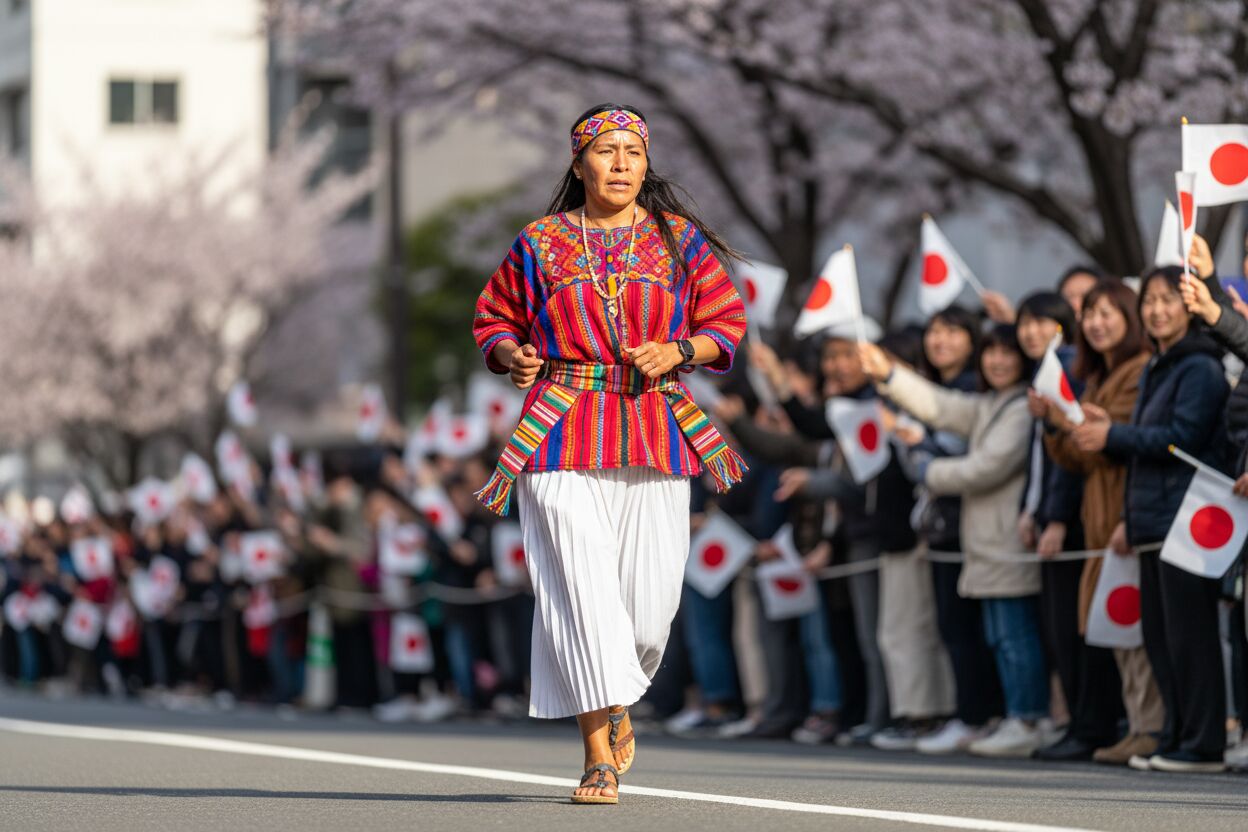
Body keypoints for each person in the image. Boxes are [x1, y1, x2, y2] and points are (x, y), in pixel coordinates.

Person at [472, 103, 748, 804]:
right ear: (578, 163)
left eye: (633, 150)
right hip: (560, 426)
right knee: (580, 588)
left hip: (653, 426)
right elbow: (494, 317)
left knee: (648, 614)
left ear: (647, 162)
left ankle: (620, 693)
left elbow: (726, 321)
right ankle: (596, 756)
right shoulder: (540, 240)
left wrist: (680, 349)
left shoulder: (677, 239)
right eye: (606, 150)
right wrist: (513, 354)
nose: (621, 162)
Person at [861, 325, 1051, 757]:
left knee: (1016, 635)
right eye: (991, 353)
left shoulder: (1021, 406)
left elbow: (987, 466)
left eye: (1007, 354)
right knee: (1000, 635)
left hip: (1007, 541)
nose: (997, 362)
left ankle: (1028, 717)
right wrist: (890, 375)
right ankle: (1014, 717)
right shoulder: (990, 403)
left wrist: (928, 472)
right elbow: (940, 406)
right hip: (987, 540)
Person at [1073, 266, 1229, 773]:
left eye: (1168, 300)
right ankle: (1177, 736)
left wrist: (1114, 436)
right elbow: (1147, 441)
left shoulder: (1199, 367)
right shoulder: (1160, 365)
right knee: (1162, 637)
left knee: (1191, 636)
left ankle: (1203, 743)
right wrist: (1113, 431)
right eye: (1150, 301)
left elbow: (1180, 437)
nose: (1157, 310)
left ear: (1190, 306)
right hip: (1152, 518)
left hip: (1185, 519)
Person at [1041, 280, 1159, 764]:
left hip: (1128, 514)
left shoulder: (1139, 371)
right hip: (1099, 516)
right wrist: (1057, 423)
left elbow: (1114, 439)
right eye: (1090, 314)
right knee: (1116, 624)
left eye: (1109, 312)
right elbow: (1081, 456)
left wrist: (1079, 425)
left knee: (1134, 624)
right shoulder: (1097, 377)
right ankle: (1139, 724)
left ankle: (1151, 726)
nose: (1096, 322)